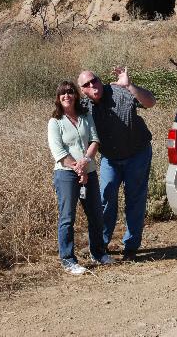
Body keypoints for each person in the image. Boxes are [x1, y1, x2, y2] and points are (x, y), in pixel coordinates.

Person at [77, 67, 156, 261]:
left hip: (137, 153)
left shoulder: (121, 90)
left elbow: (151, 102)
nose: (92, 86)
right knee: (105, 198)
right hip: (110, 158)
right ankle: (100, 244)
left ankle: (131, 247)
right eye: (86, 85)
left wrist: (130, 85)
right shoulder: (84, 107)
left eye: (94, 80)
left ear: (99, 79)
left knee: (135, 199)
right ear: (82, 90)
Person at [47, 80, 114, 275]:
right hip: (66, 174)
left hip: (89, 171)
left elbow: (94, 139)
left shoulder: (85, 116)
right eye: (62, 93)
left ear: (76, 95)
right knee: (67, 218)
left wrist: (85, 162)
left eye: (70, 92)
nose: (66, 96)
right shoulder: (55, 122)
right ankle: (68, 259)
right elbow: (58, 152)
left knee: (95, 215)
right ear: (58, 98)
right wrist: (78, 169)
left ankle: (98, 253)